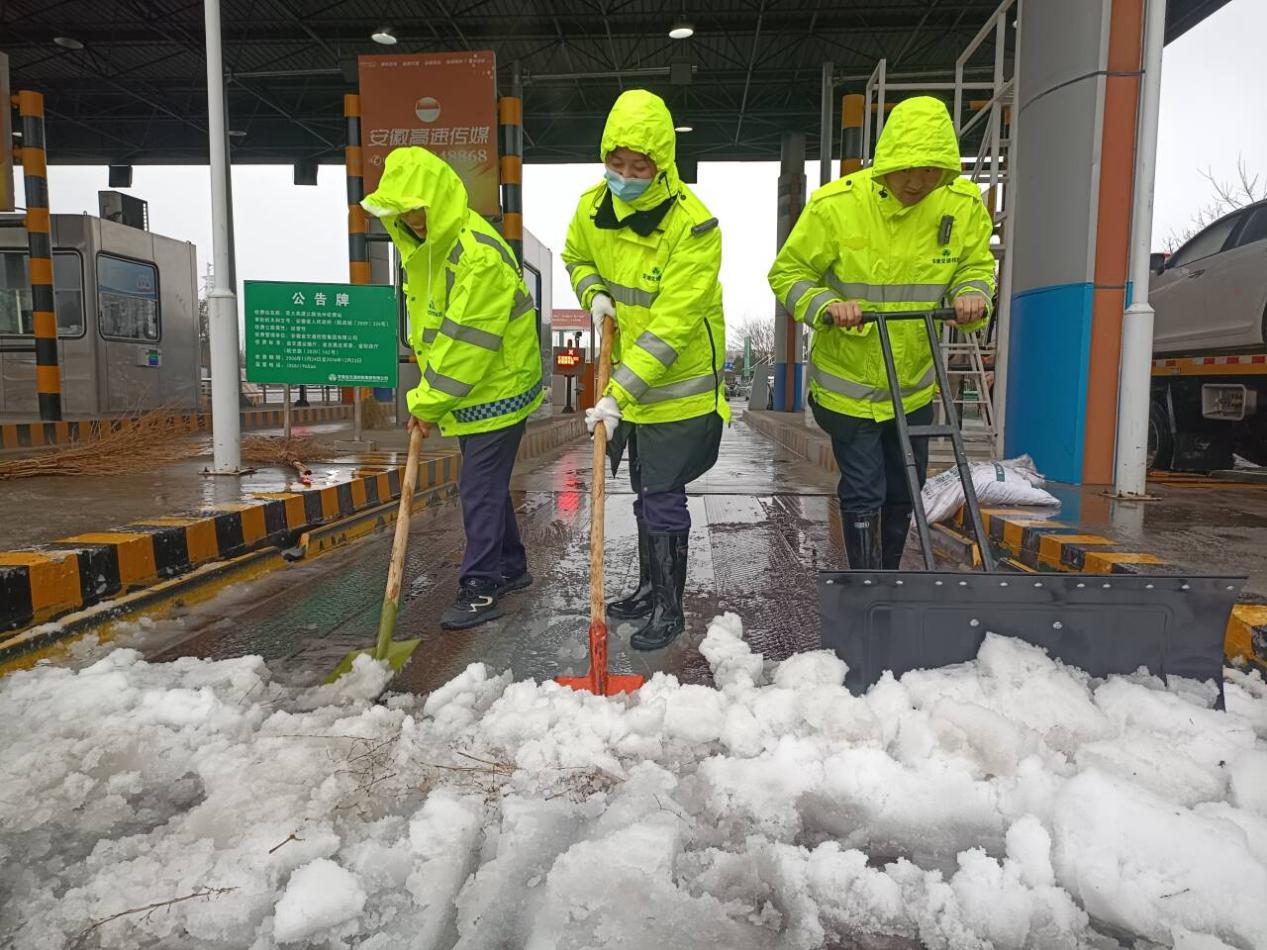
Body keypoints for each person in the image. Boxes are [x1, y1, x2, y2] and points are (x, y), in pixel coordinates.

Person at [768, 96, 996, 570]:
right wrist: (828, 307)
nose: (918, 182)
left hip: (912, 384)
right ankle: (866, 580)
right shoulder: (837, 206)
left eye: (932, 171)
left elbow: (975, 267)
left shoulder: (961, 205)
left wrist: (972, 296)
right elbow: (788, 274)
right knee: (866, 484)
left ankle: (888, 574)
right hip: (847, 384)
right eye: (908, 169)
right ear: (888, 160)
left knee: (904, 486)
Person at [563, 89, 729, 651]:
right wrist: (594, 294)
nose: (626, 175)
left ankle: (670, 606)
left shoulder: (695, 227)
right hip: (630, 388)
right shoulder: (591, 208)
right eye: (617, 162)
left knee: (661, 494)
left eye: (640, 166)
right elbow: (576, 256)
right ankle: (648, 586)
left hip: (679, 389)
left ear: (662, 165)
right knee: (641, 489)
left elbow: (672, 325)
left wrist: (617, 392)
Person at [362, 147, 543, 629]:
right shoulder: (427, 250)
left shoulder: (476, 256)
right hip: (472, 391)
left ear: (439, 200)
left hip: (498, 388)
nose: (412, 220)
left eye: (418, 209)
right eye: (402, 212)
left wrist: (426, 401)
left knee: (478, 487)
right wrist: (432, 398)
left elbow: (466, 345)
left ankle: (481, 586)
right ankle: (510, 567)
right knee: (487, 485)